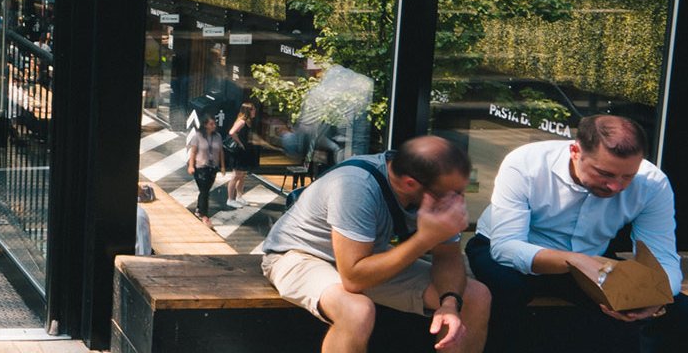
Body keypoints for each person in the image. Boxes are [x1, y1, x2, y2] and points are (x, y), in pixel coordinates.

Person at [467, 115, 688, 353]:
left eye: (628, 176)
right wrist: (574, 260)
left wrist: (656, 297)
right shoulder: (526, 164)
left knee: (683, 313)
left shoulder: (652, 183)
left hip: (590, 261)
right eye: (606, 174)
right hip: (510, 253)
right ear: (575, 151)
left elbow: (662, 257)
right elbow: (505, 246)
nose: (617, 186)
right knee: (506, 291)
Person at [258, 136, 490, 353]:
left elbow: (448, 257)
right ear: (410, 184)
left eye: (461, 191)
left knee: (475, 296)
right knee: (357, 311)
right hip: (299, 254)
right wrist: (425, 239)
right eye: (450, 194)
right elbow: (354, 278)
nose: (456, 202)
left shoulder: (435, 188)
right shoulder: (355, 186)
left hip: (364, 256)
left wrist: (449, 303)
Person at [185, 115, 225, 224]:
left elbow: (221, 151)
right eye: (211, 124)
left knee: (205, 190)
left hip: (212, 168)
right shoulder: (198, 136)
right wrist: (191, 166)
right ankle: (204, 214)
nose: (214, 126)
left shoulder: (218, 136)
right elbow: (193, 152)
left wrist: (222, 166)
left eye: (214, 124)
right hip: (200, 167)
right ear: (205, 125)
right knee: (204, 190)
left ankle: (199, 209)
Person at [224, 101, 261, 209]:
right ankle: (230, 199)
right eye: (253, 109)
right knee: (236, 175)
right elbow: (232, 132)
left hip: (244, 151)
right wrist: (240, 143)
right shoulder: (242, 121)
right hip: (239, 152)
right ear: (248, 111)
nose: (255, 111)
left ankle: (239, 196)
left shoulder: (248, 121)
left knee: (242, 175)